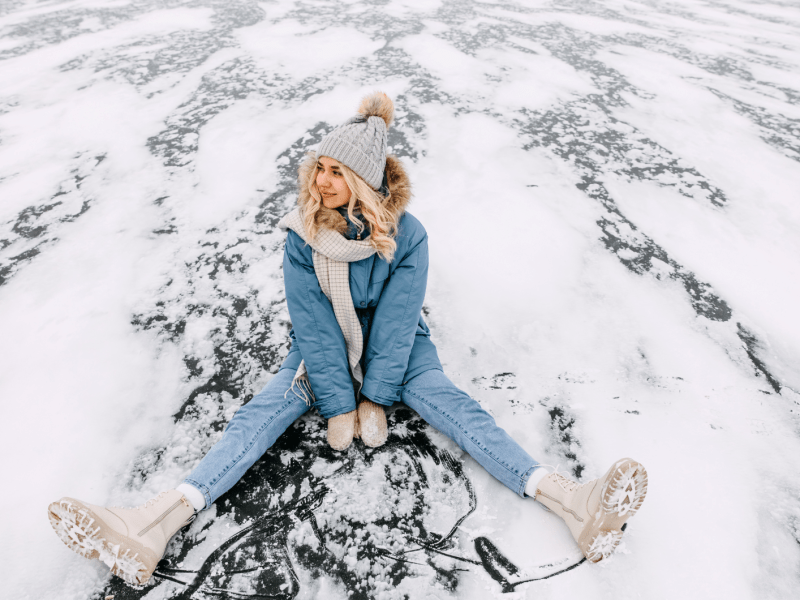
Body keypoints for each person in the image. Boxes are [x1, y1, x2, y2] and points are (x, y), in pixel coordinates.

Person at [48, 92, 648, 587]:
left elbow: (395, 321)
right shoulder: (301, 236)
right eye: (319, 168)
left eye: (337, 171)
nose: (322, 180)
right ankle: (149, 524)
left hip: (402, 348)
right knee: (259, 418)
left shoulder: (407, 236)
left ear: (363, 180)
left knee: (459, 411)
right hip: (323, 346)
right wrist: (338, 401)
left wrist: (375, 397)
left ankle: (576, 502)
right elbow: (311, 324)